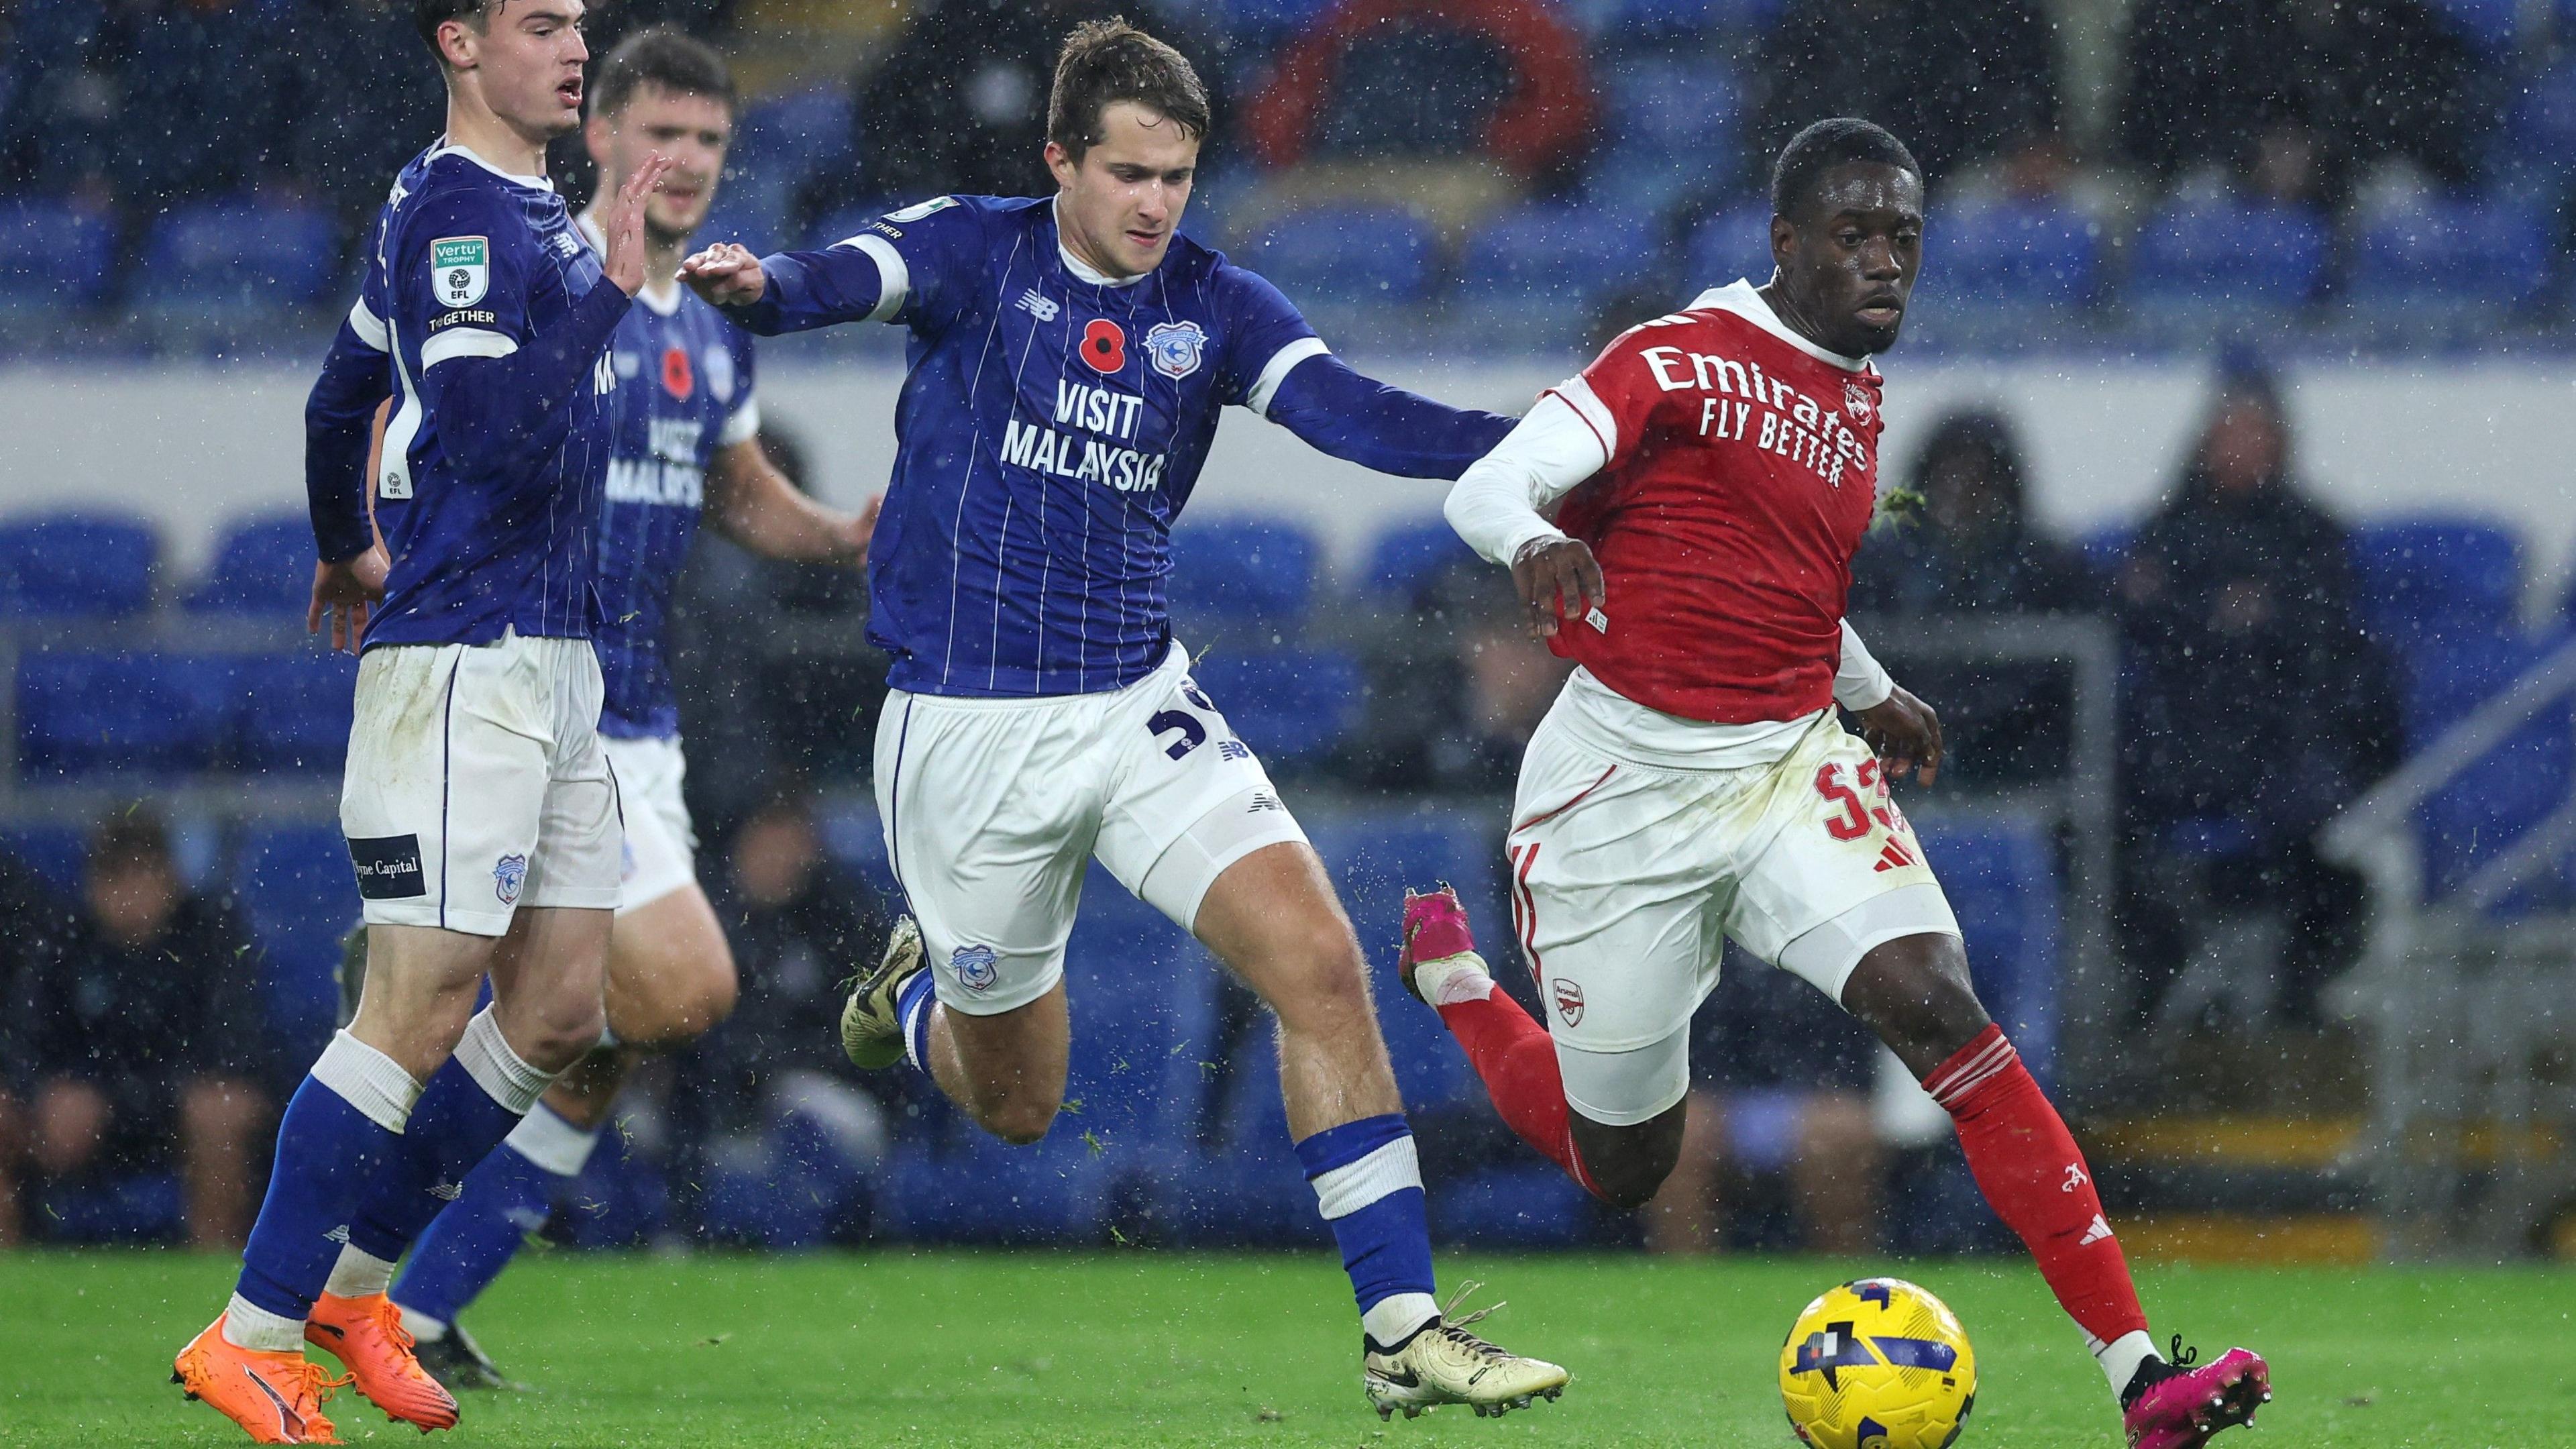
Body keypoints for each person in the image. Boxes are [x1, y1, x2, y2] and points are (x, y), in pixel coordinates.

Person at [679, 17, 1568, 1419]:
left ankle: (1403, 1330)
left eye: (1179, 176)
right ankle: (911, 1002)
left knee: (1320, 966)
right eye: (1131, 174)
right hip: (966, 734)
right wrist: (764, 287)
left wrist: (1529, 451)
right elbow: (851, 270)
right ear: (1061, 163)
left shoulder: (1211, 303)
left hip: (1137, 701)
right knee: (1020, 1099)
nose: (1157, 202)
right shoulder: (982, 251)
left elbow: (1346, 411)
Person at [1413, 118, 2272, 1449]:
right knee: (1623, 1159)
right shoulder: (1679, 354)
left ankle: (2140, 1376)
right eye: (1857, 235)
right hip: (1622, 784)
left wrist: (1866, 689)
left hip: (1786, 760)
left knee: (1938, 1007)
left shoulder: (1857, 394)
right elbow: (1487, 485)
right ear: (1789, 243)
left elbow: (1778, 569)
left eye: (1904, 237)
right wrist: (1534, 538)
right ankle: (1467, 996)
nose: (1885, 262)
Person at [172, 0, 673, 1441]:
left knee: (567, 1010)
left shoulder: (516, 203)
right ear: (460, 42)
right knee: (417, 1006)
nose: (575, 48)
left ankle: (351, 1292)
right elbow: (504, 430)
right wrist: (612, 294)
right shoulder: (466, 215)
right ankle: (251, 1332)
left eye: (582, 22)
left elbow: (344, 390)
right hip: (470, 660)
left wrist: (342, 537)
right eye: (538, 23)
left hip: (554, 660)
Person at [369, 27, 880, 1393]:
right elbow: (412, 411)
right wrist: (371, 540)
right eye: (663, 135)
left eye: (711, 143)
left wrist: (839, 535)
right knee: (674, 991)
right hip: (534, 696)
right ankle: (347, 1262)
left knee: (589, 1043)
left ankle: (406, 1310)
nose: (688, 164)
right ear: (602, 138)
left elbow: (734, 489)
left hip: (639, 726)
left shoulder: (714, 321)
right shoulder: (536, 270)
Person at [2114, 362, 2397, 1030]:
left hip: (2280, 738)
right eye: (2230, 433)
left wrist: (2230, 621)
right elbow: (2143, 617)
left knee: (2325, 836)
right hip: (2178, 740)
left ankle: (2298, 998)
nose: (2242, 449)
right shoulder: (2166, 528)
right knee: (2102, 825)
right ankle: (2155, 990)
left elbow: (2323, 637)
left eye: (2256, 434)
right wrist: (2220, 616)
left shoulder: (2312, 532)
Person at [4, 812, 270, 1248]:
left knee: (217, 1112)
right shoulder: (64, 941)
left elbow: (236, 1050)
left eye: (141, 876)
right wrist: (43, 1093)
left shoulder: (211, 935)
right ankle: (11, 1283)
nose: (129, 896)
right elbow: (25, 1042)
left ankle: (219, 1278)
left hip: (178, 1107)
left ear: (171, 879)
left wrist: (133, 1096)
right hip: (83, 1114)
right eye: (113, 878)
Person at [1847, 409, 2100, 787]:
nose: (1962, 492)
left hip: (2015, 756)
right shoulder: (1877, 567)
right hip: (1897, 751)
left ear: (2005, 486)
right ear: (1924, 481)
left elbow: (2068, 680)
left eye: (1981, 479)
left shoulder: (2050, 569)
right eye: (1949, 476)